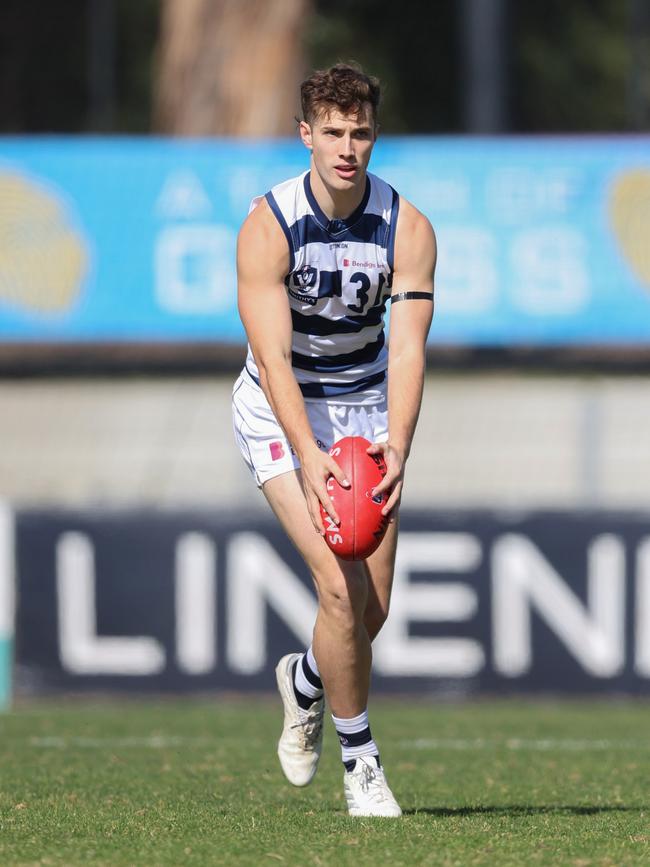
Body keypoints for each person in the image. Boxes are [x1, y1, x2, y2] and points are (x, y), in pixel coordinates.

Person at [232, 62, 436, 817]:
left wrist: (400, 443)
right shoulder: (269, 224)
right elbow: (274, 357)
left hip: (365, 412)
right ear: (305, 135)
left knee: (371, 609)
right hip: (283, 410)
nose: (347, 147)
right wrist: (308, 454)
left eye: (361, 132)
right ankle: (361, 763)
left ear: (373, 136)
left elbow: (409, 348)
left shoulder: (407, 227)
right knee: (338, 593)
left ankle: (306, 679)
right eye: (333, 132)